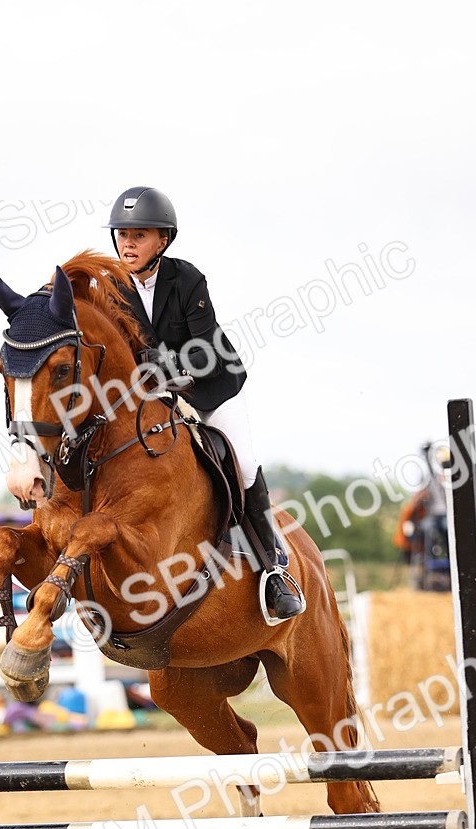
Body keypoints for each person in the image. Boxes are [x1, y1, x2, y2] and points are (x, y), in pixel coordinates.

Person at [106, 185, 303, 622]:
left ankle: (274, 569)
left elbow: (207, 346)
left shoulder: (187, 278)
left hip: (211, 389)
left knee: (245, 463)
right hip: (156, 399)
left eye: (139, 235)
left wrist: (166, 365)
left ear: (163, 240)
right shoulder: (113, 288)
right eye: (122, 234)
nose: (128, 243)